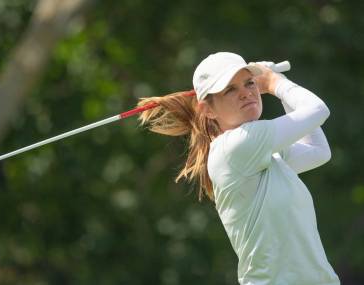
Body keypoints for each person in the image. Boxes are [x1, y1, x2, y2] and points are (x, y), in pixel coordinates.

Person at [138, 52, 340, 285]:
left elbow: (317, 151)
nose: (245, 92)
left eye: (249, 83)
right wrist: (276, 83)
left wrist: (276, 86)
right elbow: (318, 110)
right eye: (230, 90)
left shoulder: (258, 151)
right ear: (208, 110)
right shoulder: (237, 146)